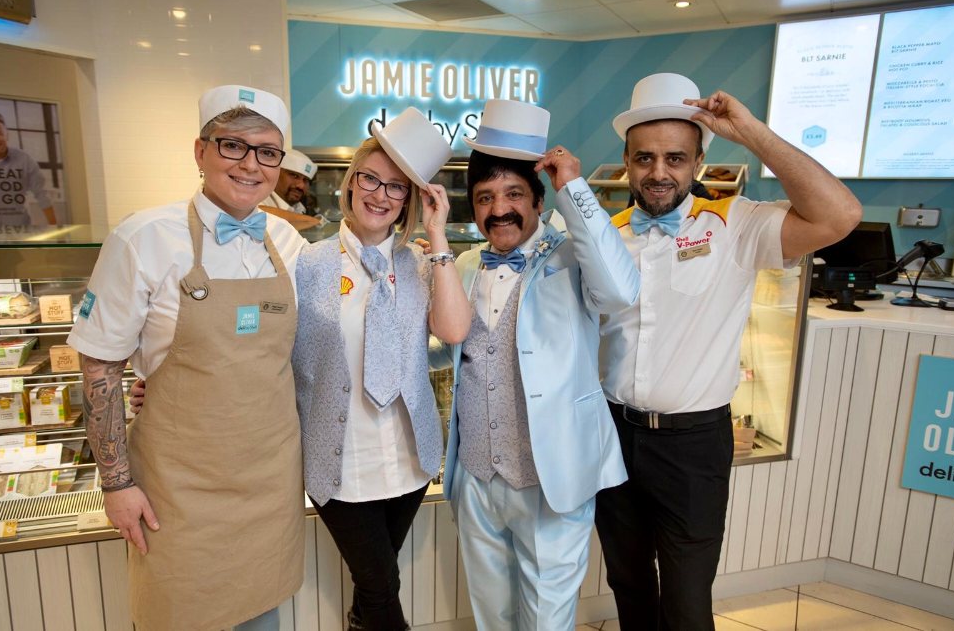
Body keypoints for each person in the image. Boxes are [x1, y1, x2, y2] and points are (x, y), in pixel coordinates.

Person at [595, 72, 863, 631]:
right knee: (628, 584)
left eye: (675, 157)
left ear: (697, 162)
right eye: (645, 158)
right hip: (612, 435)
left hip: (692, 445)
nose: (659, 172)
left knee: (688, 599)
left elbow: (839, 216)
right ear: (626, 160)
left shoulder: (736, 223)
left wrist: (751, 132)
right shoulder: (605, 232)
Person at [68, 85, 308, 631]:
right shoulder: (143, 237)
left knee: (262, 619)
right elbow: (100, 368)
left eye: (267, 151)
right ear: (200, 152)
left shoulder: (288, 243)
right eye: (232, 146)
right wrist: (116, 483)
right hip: (176, 492)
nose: (251, 165)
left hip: (268, 483)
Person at [440, 99, 640, 630]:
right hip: (477, 476)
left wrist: (575, 186)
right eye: (485, 198)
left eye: (512, 195)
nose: (498, 209)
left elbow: (621, 291)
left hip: (551, 475)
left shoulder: (573, 255)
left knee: (547, 617)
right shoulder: (462, 265)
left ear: (537, 199)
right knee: (492, 614)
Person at [293, 107, 471, 630]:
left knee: (373, 587)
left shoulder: (419, 263)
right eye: (369, 179)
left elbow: (454, 331)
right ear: (349, 185)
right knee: (381, 583)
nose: (380, 195)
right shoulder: (308, 264)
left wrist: (438, 237)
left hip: (408, 460)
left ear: (410, 200)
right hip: (338, 461)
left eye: (396, 187)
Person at [260, 147, 324, 230]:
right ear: (276, 174)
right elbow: (259, 213)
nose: (301, 185)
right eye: (294, 176)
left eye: (305, 180)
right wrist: (313, 221)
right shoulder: (260, 197)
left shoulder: (299, 208)